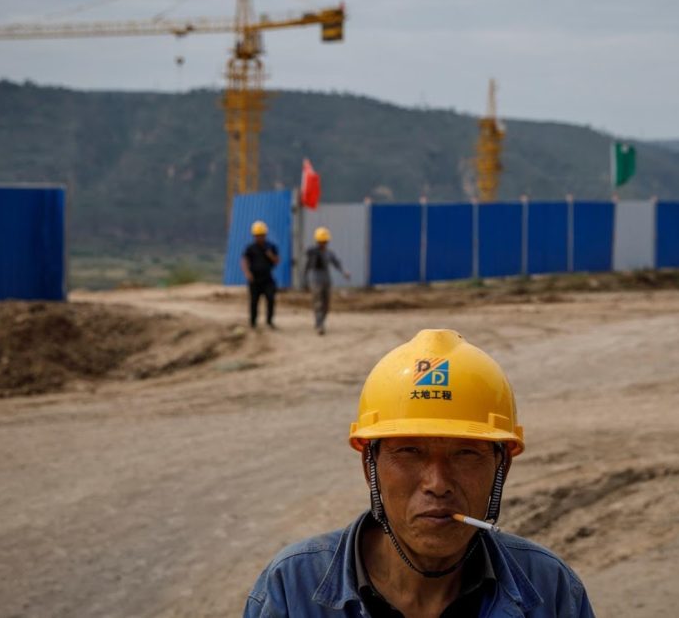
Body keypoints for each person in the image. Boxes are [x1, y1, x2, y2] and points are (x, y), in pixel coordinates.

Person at [243, 329, 595, 617]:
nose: (437, 484)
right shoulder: (293, 590)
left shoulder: (551, 593)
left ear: (501, 466)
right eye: (409, 452)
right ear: (370, 465)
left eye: (465, 453)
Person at [303, 226, 351, 335]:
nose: (323, 244)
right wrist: (305, 280)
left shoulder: (329, 253)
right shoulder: (313, 253)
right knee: (318, 303)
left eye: (324, 242)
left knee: (326, 304)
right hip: (316, 281)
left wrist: (344, 272)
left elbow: (336, 263)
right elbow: (308, 263)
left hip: (326, 281)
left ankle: (320, 321)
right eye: (321, 242)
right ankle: (320, 325)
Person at [240, 220, 279, 329]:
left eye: (261, 235)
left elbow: (277, 261)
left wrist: (270, 255)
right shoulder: (250, 248)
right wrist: (247, 273)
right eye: (258, 235)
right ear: (254, 236)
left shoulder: (271, 247)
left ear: (265, 235)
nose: (260, 237)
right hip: (254, 279)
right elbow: (244, 260)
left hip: (267, 278)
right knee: (254, 301)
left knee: (270, 299)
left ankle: (269, 321)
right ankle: (253, 322)